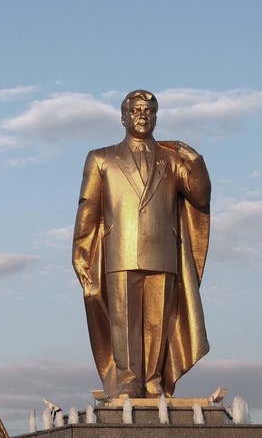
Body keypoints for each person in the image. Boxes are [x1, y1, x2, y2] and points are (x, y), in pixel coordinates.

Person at [73, 90, 212, 399]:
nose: (142, 114)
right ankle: (127, 380)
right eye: (135, 110)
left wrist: (193, 159)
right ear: (123, 118)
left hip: (163, 252)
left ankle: (152, 380)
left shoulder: (171, 159)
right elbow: (88, 206)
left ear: (156, 118)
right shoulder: (101, 158)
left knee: (157, 322)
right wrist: (81, 250)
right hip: (119, 251)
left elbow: (199, 197)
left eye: (149, 110)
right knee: (123, 320)